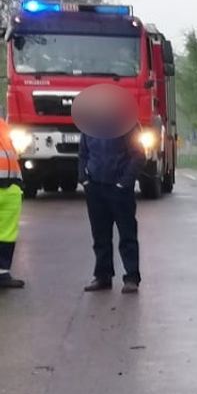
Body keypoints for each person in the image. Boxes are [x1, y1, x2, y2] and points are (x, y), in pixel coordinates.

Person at [78, 123, 145, 293]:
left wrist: (124, 183)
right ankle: (102, 276)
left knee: (127, 235)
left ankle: (131, 278)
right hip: (95, 188)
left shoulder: (126, 124)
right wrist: (84, 179)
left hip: (120, 190)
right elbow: (83, 154)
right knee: (100, 237)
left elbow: (138, 155)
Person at [0, 117, 25, 289]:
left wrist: (17, 185)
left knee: (7, 234)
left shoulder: (2, 124)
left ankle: (2, 273)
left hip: (11, 187)